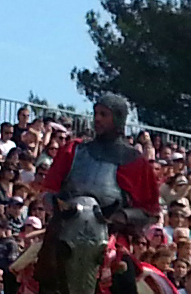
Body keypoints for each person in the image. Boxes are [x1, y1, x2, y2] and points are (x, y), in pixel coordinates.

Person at [40, 92, 161, 232]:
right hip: (66, 230)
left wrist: (122, 216)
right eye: (95, 113)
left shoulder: (136, 163)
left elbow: (150, 212)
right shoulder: (73, 150)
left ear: (118, 119)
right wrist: (57, 207)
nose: (97, 118)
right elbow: (48, 192)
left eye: (104, 114)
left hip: (110, 236)